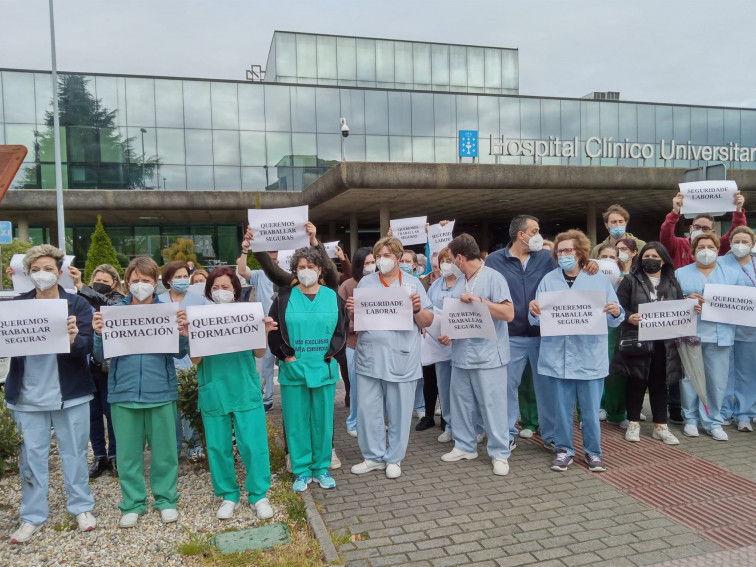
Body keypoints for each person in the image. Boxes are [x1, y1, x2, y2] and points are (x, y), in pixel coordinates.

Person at [5, 245, 97, 543]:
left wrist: (72, 338)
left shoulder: (78, 305)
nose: (42, 274)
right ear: (27, 274)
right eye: (35, 269)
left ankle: (81, 507)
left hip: (70, 393)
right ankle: (32, 515)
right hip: (28, 395)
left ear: (60, 272)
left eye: (48, 268)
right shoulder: (16, 305)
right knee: (31, 457)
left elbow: (86, 347)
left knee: (75, 453)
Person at [92, 257, 189, 528]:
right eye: (135, 280)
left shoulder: (167, 310)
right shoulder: (114, 312)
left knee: (165, 451)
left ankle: (166, 499)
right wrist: (99, 334)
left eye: (146, 281)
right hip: (123, 392)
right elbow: (100, 356)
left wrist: (182, 332)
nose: (140, 285)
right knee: (127, 453)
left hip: (161, 391)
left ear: (156, 282)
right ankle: (133, 502)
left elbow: (179, 352)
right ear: (126, 282)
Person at [529, 230, 624, 472]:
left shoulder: (598, 280)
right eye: (560, 251)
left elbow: (616, 318)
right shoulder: (549, 280)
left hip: (589, 356)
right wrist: (534, 311)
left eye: (568, 250)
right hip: (557, 356)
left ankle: (593, 452)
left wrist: (615, 310)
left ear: (580, 252)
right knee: (561, 410)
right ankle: (564, 449)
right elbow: (538, 320)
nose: (564, 255)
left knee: (590, 412)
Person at [188, 267, 276, 519]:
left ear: (236, 290)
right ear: (208, 292)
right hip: (214, 387)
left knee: (253, 444)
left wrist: (264, 332)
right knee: (218, 446)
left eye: (226, 287)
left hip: (244, 387)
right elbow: (195, 360)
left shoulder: (248, 315)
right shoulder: (200, 319)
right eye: (215, 288)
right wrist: (191, 335)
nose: (220, 291)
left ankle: (259, 494)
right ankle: (228, 494)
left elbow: (259, 353)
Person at [347, 236, 434, 480]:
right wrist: (353, 312)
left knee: (399, 411)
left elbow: (428, 321)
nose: (382, 261)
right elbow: (357, 325)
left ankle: (394, 458)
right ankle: (373, 457)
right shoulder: (366, 283)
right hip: (369, 357)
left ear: (397, 258)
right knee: (368, 410)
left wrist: (417, 309)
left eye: (387, 256)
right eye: (379, 257)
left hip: (401, 358)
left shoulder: (413, 284)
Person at [267, 247, 349, 492]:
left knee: (322, 422)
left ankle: (321, 468)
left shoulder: (333, 297)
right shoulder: (282, 298)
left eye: (311, 267)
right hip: (294, 369)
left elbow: (341, 331)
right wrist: (285, 355)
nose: (306, 271)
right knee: (296, 421)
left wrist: (331, 355)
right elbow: (272, 331)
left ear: (320, 270)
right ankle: (301, 470)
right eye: (301, 267)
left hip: (322, 367)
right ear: (295, 270)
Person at [438, 234, 514, 476]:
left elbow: (508, 313)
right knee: (461, 404)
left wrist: (480, 301)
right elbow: (456, 317)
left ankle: (500, 453)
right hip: (461, 354)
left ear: (460, 258)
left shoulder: (494, 278)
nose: (449, 263)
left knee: (493, 406)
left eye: (450, 259)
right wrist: (448, 332)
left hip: (489, 356)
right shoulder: (460, 282)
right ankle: (464, 445)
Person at [485, 215, 556, 446]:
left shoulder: (546, 257)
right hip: (510, 335)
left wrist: (589, 264)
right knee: (506, 389)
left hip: (541, 335)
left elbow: (570, 269)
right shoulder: (495, 260)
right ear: (521, 235)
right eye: (534, 231)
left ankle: (552, 436)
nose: (538, 235)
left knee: (546, 389)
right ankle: (506, 434)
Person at [674, 233, 748, 441]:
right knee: (690, 378)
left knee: (717, 380)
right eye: (700, 247)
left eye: (710, 247)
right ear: (693, 252)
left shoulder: (733, 273)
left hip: (720, 335)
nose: (706, 251)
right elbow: (670, 301)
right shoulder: (681, 273)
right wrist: (686, 300)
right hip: (690, 334)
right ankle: (690, 419)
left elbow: (744, 303)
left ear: (718, 250)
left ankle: (713, 421)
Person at [611, 242, 683, 445]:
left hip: (664, 342)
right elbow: (619, 306)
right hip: (638, 339)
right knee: (636, 381)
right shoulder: (631, 280)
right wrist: (629, 317)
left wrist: (690, 307)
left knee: (660, 384)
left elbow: (678, 305)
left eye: (654, 257)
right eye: (646, 256)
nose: (649, 260)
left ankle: (661, 425)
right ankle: (633, 422)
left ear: (663, 260)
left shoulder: (671, 281)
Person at [70, 263, 126, 478]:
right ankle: (99, 456)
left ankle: (114, 456)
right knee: (92, 415)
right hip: (85, 367)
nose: (101, 284)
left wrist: (82, 286)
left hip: (108, 367)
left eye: (106, 281)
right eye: (98, 280)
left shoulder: (117, 300)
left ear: (114, 284)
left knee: (112, 415)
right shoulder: (79, 299)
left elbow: (104, 304)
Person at [159, 260, 206, 459]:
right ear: (168, 280)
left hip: (191, 359)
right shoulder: (158, 301)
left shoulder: (199, 300)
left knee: (191, 406)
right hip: (166, 360)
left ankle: (195, 447)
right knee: (171, 412)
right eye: (177, 277)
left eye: (185, 276)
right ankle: (174, 448)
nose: (182, 280)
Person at [426, 246, 467, 443]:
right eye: (442, 261)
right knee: (445, 387)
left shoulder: (465, 283)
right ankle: (449, 425)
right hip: (439, 344)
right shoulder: (435, 285)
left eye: (449, 260)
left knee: (463, 389)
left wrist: (453, 332)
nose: (445, 265)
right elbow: (429, 311)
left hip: (460, 344)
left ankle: (471, 427)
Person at [718, 226, 756, 432]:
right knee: (724, 371)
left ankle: (744, 414)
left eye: (745, 242)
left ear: (752, 245)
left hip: (750, 328)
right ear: (730, 243)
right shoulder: (720, 263)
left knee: (746, 372)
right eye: (737, 242)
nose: (741, 246)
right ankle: (723, 412)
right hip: (723, 324)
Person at [338, 247, 375, 437]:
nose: (370, 267)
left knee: (373, 387)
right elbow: (339, 317)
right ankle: (353, 422)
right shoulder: (348, 286)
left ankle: (371, 422)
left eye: (372, 262)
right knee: (356, 385)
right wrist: (354, 325)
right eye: (366, 263)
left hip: (375, 344)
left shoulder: (380, 285)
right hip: (353, 343)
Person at [660, 190, 746, 269]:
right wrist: (675, 212)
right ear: (691, 228)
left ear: (712, 232)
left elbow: (737, 232)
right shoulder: (678, 245)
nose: (700, 231)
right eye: (697, 227)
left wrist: (738, 209)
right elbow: (666, 233)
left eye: (705, 228)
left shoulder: (718, 246)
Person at [399, 249, 427, 420]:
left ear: (415, 265)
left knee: (419, 374)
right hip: (398, 336)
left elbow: (426, 312)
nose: (404, 264)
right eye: (402, 260)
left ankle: (420, 406)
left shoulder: (418, 284)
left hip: (416, 334)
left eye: (408, 261)